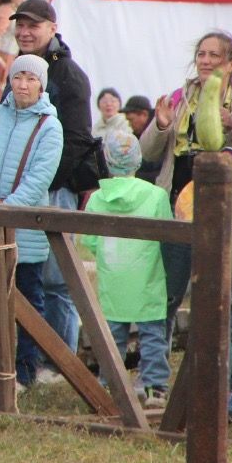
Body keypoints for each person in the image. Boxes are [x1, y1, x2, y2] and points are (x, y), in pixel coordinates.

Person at [139, 29, 232, 340]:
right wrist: (162, 125)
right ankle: (155, 376)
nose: (205, 61)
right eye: (201, 54)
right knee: (167, 294)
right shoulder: (178, 98)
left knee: (222, 301)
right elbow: (147, 152)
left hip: (222, 210)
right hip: (177, 205)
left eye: (214, 55)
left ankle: (225, 380)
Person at [9, 0, 102, 369]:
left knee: (56, 281)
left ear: (52, 27)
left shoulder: (69, 76)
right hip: (20, 187)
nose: (25, 31)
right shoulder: (19, 69)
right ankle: (30, 357)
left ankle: (60, 363)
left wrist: (40, 180)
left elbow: (76, 140)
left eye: (33, 25)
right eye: (20, 24)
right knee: (25, 276)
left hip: (55, 187)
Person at [0, 53, 64, 389]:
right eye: (18, 76)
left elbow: (39, 179)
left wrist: (4, 211)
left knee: (27, 301)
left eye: (31, 79)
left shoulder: (50, 127)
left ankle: (24, 371)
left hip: (22, 230)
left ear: (41, 85)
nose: (23, 84)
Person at [81, 129, 173, 408]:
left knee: (113, 336)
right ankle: (156, 387)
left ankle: (109, 384)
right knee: (153, 335)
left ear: (107, 161)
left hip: (114, 275)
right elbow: (168, 237)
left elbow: (90, 241)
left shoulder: (98, 199)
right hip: (148, 275)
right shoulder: (156, 196)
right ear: (138, 160)